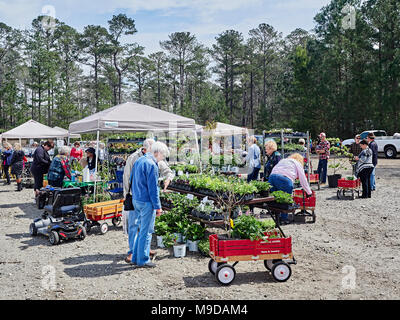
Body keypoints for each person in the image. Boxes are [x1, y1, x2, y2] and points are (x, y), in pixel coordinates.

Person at [127, 141, 169, 268]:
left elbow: (131, 179)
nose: (162, 158)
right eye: (163, 156)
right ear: (158, 153)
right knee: (146, 232)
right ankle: (143, 260)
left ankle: (135, 257)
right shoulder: (152, 165)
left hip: (136, 199)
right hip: (146, 202)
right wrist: (158, 207)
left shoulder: (140, 160)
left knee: (140, 230)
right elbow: (153, 189)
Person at [268, 153, 313, 224]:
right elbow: (303, 179)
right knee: (285, 199)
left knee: (275, 198)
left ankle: (276, 218)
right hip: (285, 179)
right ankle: (284, 219)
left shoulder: (283, 160)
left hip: (272, 177)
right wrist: (309, 192)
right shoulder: (297, 163)